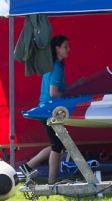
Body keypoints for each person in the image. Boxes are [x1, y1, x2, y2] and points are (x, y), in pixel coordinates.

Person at [19, 35, 86, 184]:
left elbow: (58, 89)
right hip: (48, 111)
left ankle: (27, 167)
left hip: (48, 109)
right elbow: (54, 93)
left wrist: (76, 85)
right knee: (57, 145)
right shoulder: (56, 68)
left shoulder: (56, 66)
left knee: (57, 144)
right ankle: (51, 182)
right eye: (65, 47)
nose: (69, 49)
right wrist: (69, 99)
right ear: (57, 49)